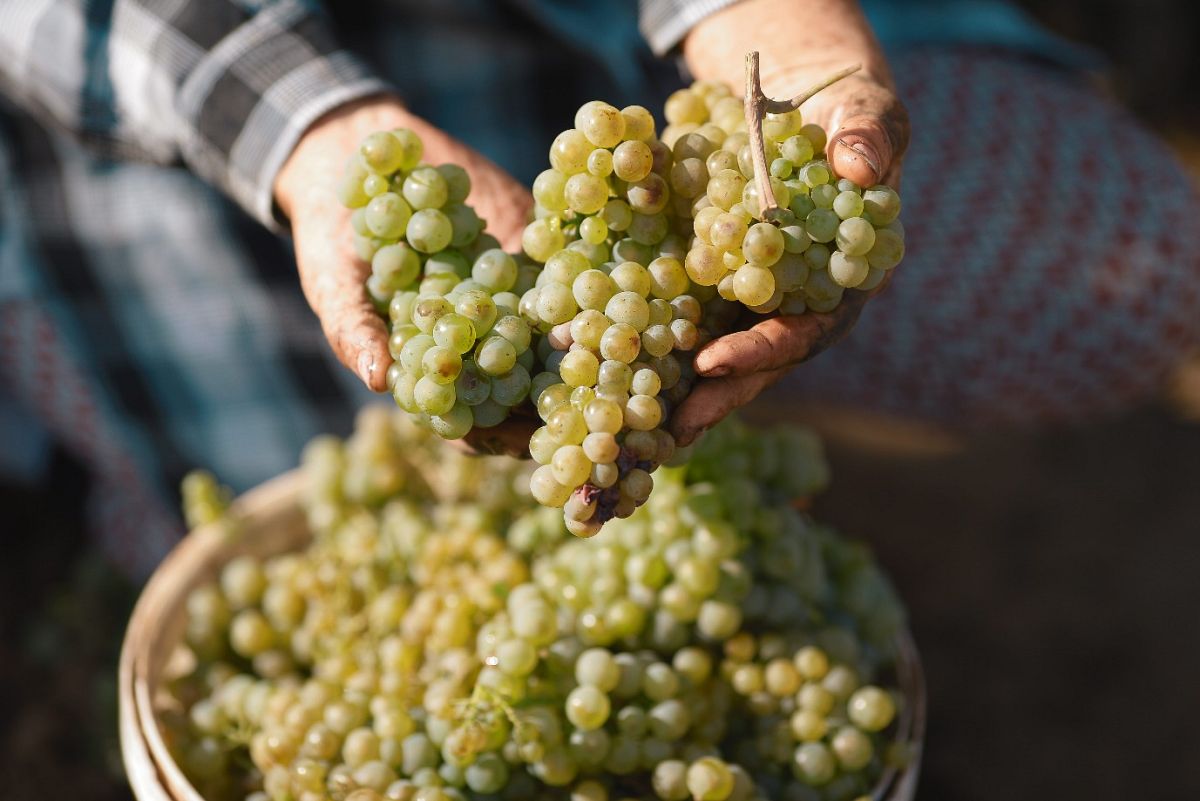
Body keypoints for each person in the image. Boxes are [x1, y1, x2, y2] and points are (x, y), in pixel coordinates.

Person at [0, 0, 1195, 576]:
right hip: (163, 123)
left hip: (589, 49)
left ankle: (744, 407)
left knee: (1134, 255)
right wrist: (314, 133)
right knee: (298, 532)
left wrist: (750, 9)